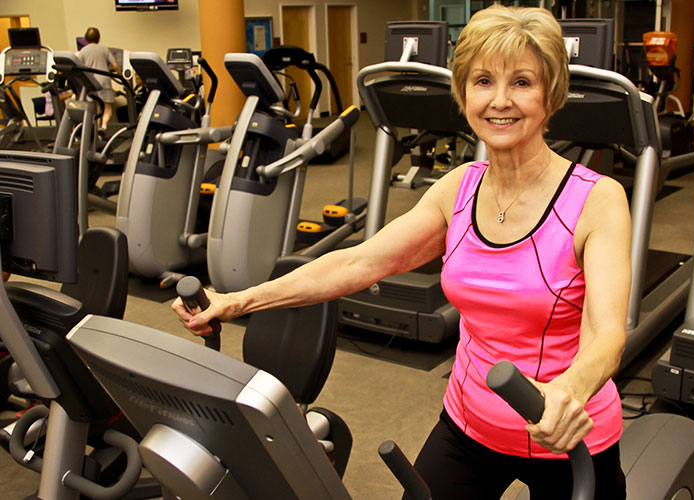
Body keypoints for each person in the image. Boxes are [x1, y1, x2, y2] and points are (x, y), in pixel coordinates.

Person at [172, 5, 631, 499]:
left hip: (566, 436)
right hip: (470, 424)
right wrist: (236, 301)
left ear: (551, 94)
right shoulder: (460, 188)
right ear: (463, 93)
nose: (500, 100)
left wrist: (569, 391)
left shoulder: (596, 199)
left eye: (521, 82)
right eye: (483, 81)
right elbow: (360, 261)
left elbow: (606, 334)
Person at [77, 27, 120, 133]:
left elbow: (78, 66)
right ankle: (104, 127)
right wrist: (121, 75)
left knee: (97, 107)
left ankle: (97, 131)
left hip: (91, 81)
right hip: (104, 80)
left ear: (86, 38)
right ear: (99, 38)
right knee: (107, 106)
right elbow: (115, 65)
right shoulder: (104, 49)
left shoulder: (83, 51)